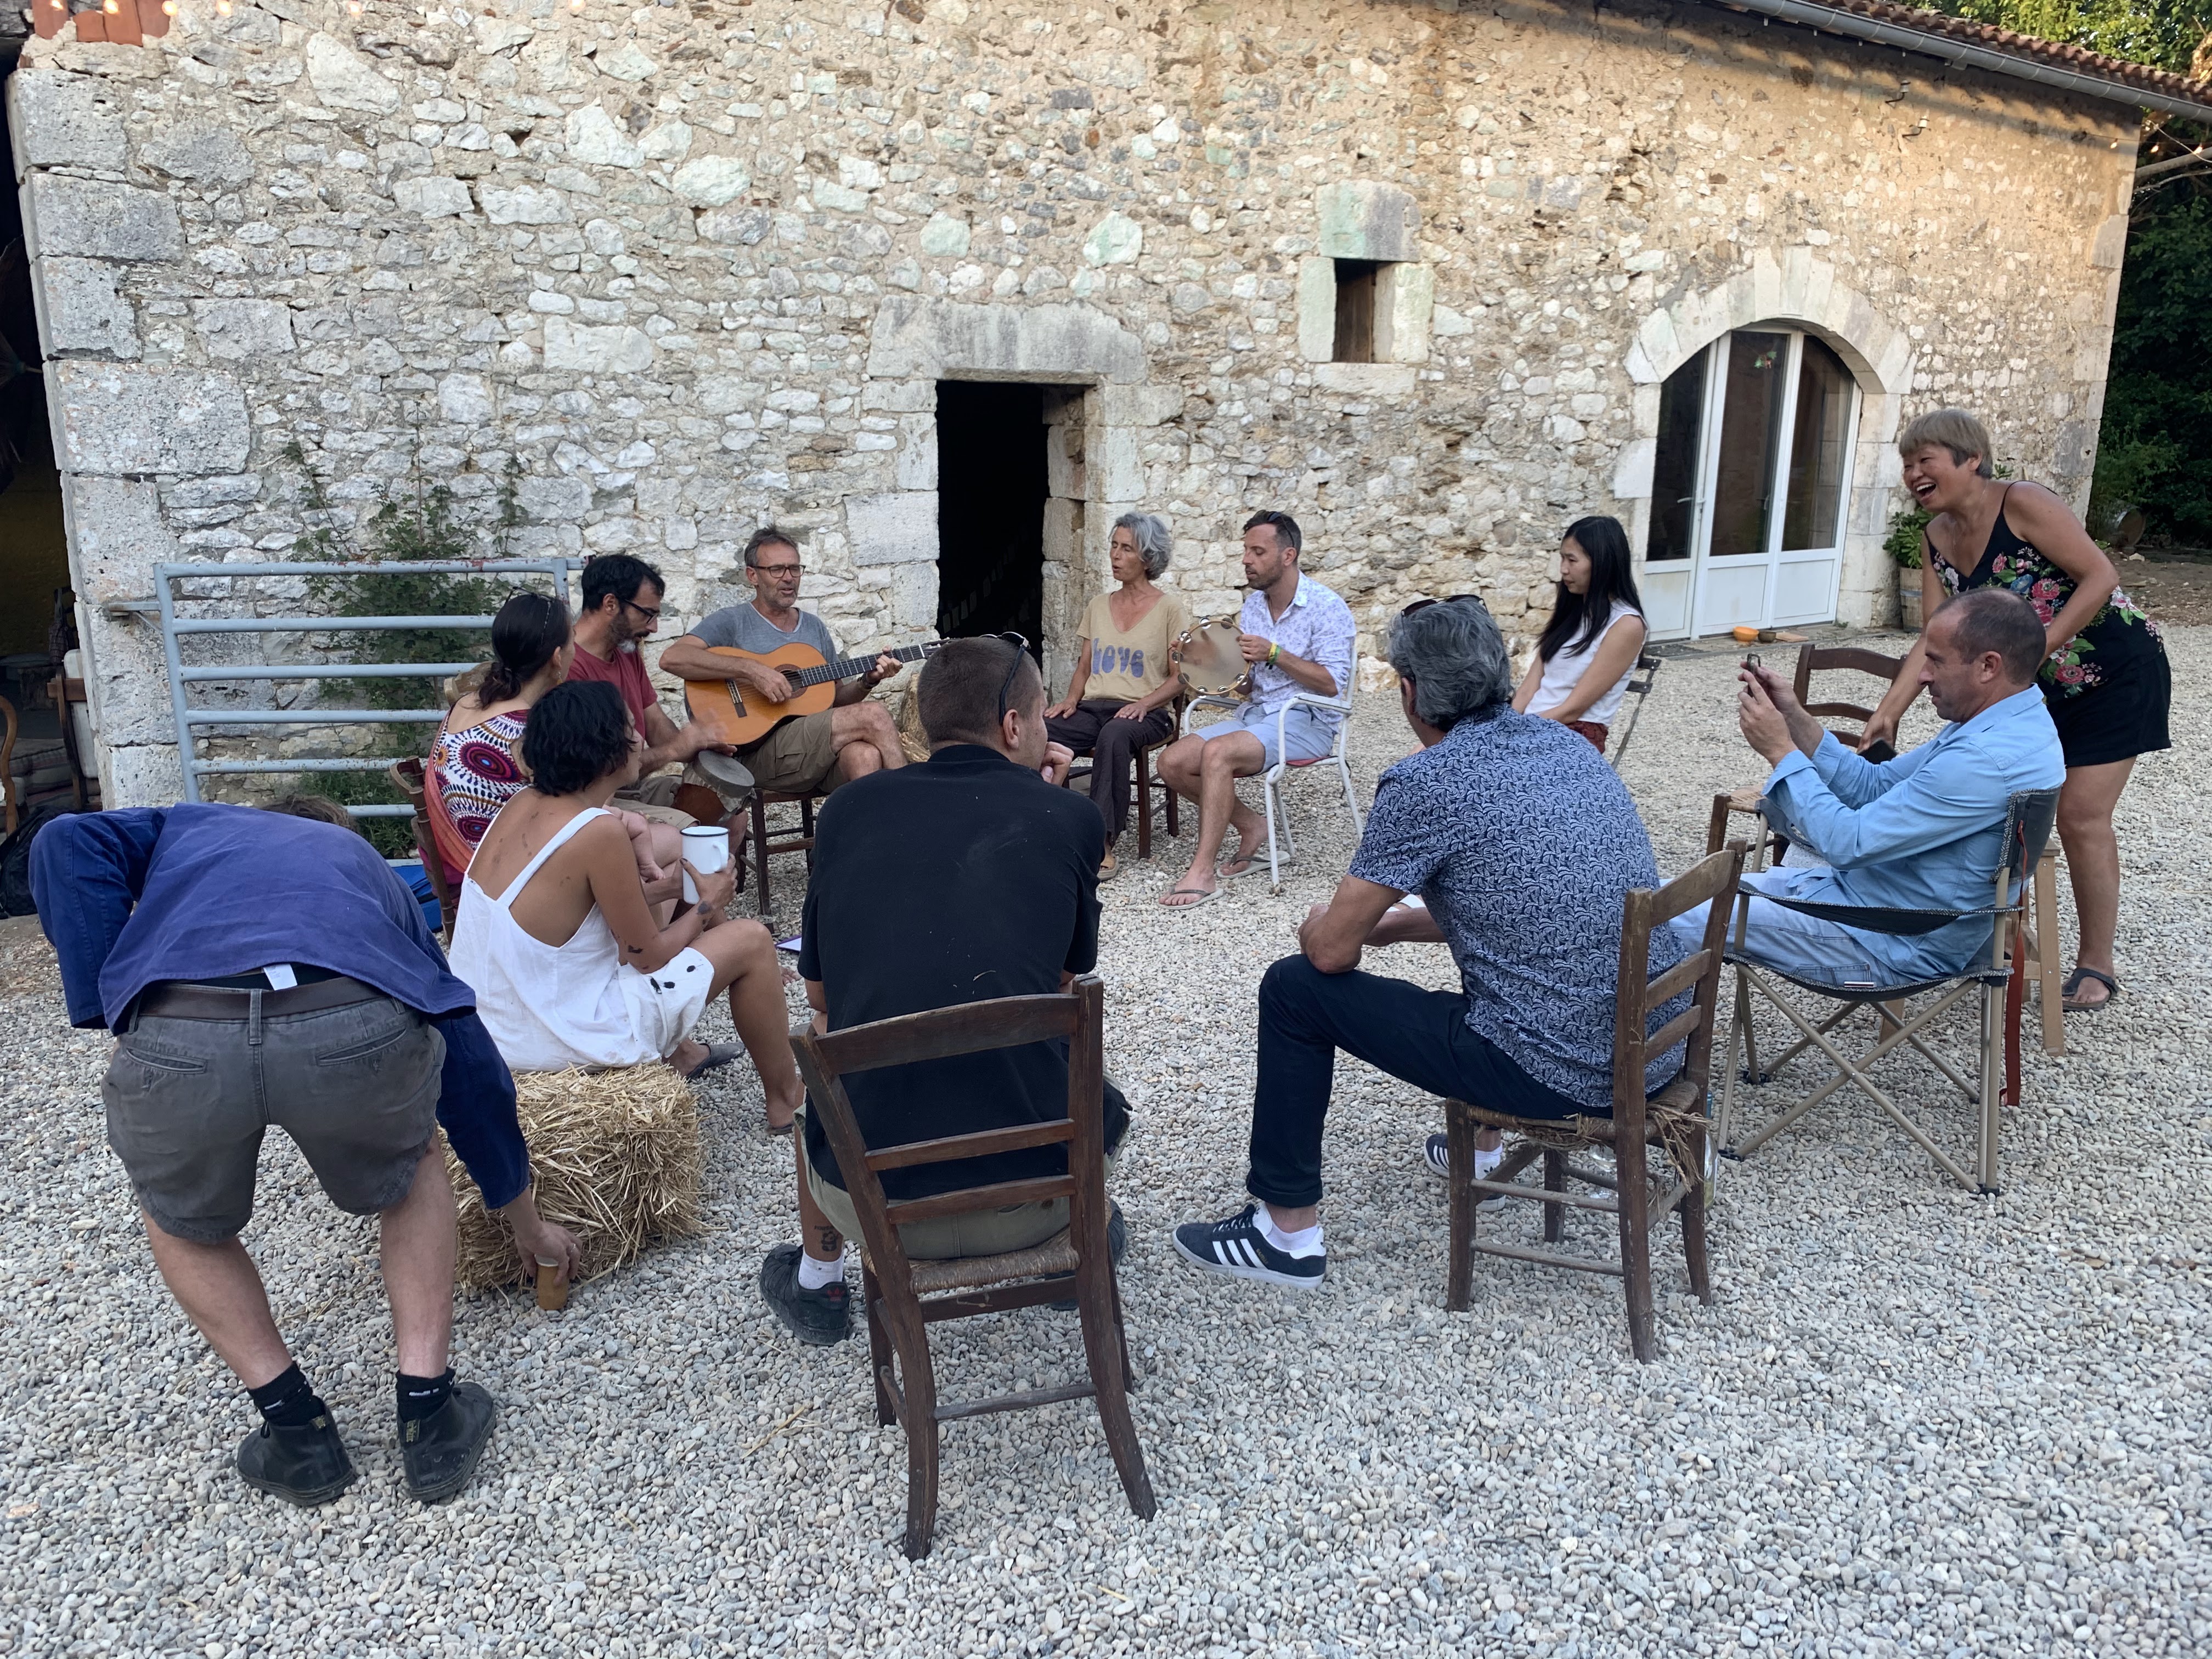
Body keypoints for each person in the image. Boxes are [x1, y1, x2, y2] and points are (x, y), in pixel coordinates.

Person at [29, 797, 584, 1508]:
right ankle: (430, 1417)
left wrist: (109, 994)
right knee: (413, 1167)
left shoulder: (192, 826)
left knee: (180, 1217)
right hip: (346, 1012)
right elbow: (466, 1058)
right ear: (338, 837)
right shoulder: (363, 869)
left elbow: (64, 836)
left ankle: (297, 1432)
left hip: (183, 1021)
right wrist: (525, 1222)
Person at [1172, 596, 1681, 1288]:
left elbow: (1328, 954)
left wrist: (1330, 928)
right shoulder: (1567, 744)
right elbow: (1526, 903)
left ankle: (1285, 1235)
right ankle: (1479, 1156)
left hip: (1564, 1070)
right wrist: (1395, 928)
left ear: (1409, 692)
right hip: (1655, 1046)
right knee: (1500, 974)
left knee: (1293, 989)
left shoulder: (1426, 781)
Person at [758, 636, 1132, 1345]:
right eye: (1043, 716)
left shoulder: (847, 814)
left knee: (831, 1058)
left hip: (877, 1205)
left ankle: (819, 1283)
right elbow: (1056, 982)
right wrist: (1048, 806)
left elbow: (817, 998)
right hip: (1043, 1195)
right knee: (1082, 1050)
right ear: (1015, 728)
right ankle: (1089, 1238)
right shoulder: (1072, 819)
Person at [1858, 410, 2169, 1012]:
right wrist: (1889, 711)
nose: (1913, 473)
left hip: (2116, 671)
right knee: (2009, 809)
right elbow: (1934, 636)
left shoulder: (2022, 503)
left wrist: (2039, 649)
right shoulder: (1935, 539)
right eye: (1907, 464)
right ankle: (2006, 933)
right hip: (2032, 690)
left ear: (1970, 459)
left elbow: (2101, 574)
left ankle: (2096, 965)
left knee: (2079, 815)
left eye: (1927, 460)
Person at [1670, 587, 2066, 988]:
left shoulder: (1982, 759)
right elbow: (1872, 785)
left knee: (1663, 918)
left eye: (1935, 661)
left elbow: (1847, 844)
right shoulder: (2014, 725)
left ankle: (1636, 1046)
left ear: (1988, 666)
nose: (1923, 676)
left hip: (1888, 940)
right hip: (1872, 906)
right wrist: (1794, 718)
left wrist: (1781, 753)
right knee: (1672, 897)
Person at [449, 681, 803, 1115]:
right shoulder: (597, 832)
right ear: (604, 750)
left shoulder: (522, 802)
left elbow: (574, 912)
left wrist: (667, 877)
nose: (639, 740)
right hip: (556, 1039)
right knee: (751, 939)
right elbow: (647, 957)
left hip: (493, 1029)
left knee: (665, 875)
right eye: (630, 729)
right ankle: (788, 1101)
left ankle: (686, 1055)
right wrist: (708, 904)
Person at [1154, 510, 1357, 910]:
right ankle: (1253, 825)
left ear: (1288, 555)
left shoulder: (1326, 607)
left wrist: (1277, 654)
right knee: (1172, 762)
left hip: (1309, 720)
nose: (1246, 559)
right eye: (1246, 550)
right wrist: (1205, 664)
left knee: (1219, 753)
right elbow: (1247, 685)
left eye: (1257, 551)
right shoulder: (1254, 609)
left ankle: (1202, 873)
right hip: (1260, 716)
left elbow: (1333, 683)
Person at [653, 527, 906, 802]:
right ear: (753, 576)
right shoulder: (732, 621)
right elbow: (672, 658)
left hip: (807, 753)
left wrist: (868, 681)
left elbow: (835, 702)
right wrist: (752, 669)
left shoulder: (814, 627)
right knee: (875, 715)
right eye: (777, 570)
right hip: (752, 754)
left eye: (795, 569)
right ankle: (921, 807)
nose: (789, 578)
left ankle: (876, 841)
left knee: (865, 755)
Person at [1043, 512, 1193, 881]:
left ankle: (1101, 841)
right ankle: (1036, 821)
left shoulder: (1171, 609)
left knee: (1115, 735)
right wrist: (1070, 700)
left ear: (1148, 558)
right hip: (1095, 706)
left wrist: (1143, 704)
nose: (1116, 555)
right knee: (1038, 728)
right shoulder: (1098, 605)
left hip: (1148, 712)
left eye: (1126, 549)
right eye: (1114, 546)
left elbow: (1181, 678)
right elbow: (1084, 666)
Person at [567, 554, 741, 827]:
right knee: (690, 829)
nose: (654, 627)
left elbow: (658, 727)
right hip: (592, 800)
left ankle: (710, 872)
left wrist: (699, 742)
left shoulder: (626, 652)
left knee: (729, 816)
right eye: (647, 614)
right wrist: (676, 748)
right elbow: (601, 774)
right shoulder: (569, 667)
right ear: (610, 604)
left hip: (628, 788)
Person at [427, 591, 575, 887]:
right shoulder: (530, 731)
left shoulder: (466, 703)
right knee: (668, 844)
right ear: (557, 657)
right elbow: (579, 813)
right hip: (506, 879)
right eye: (573, 642)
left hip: (462, 862)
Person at [1512, 515, 1649, 753]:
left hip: (1573, 736)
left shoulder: (1626, 625)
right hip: (1536, 726)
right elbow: (1526, 690)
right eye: (1562, 559)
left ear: (1602, 563)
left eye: (1572, 560)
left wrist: (1516, 734)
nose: (1563, 569)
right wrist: (1503, 727)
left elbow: (1573, 709)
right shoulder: (1572, 614)